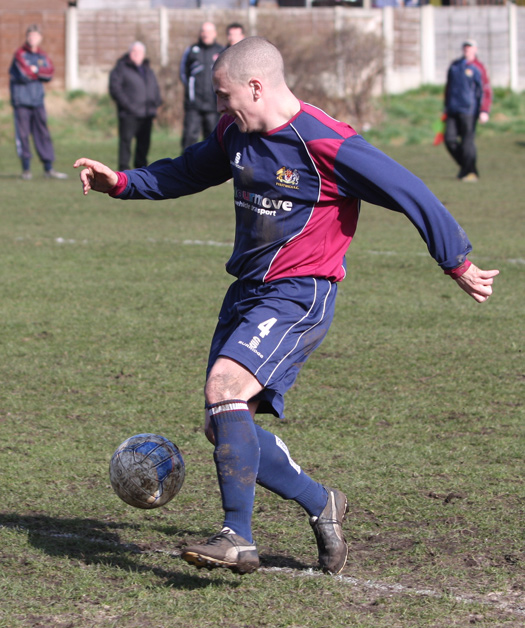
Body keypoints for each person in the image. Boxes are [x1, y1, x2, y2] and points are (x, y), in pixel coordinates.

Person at [74, 37, 499, 577]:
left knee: (225, 389)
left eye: (225, 95)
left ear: (256, 86)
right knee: (223, 425)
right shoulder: (235, 132)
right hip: (247, 292)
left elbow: (408, 189)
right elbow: (188, 169)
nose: (219, 105)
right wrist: (123, 182)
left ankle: (237, 536)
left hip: (299, 292)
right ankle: (322, 502)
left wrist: (455, 260)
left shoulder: (324, 141)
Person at [9, 24, 68, 180]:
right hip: (21, 102)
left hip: (37, 102)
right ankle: (26, 169)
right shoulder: (20, 54)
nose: (32, 38)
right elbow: (24, 73)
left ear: (40, 38)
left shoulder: (42, 55)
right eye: (30, 35)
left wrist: (36, 70)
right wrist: (37, 72)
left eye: (35, 36)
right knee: (23, 135)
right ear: (26, 37)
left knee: (43, 134)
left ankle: (48, 168)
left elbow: (49, 73)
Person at [444, 39, 492, 182]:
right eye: (465, 46)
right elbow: (448, 88)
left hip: (469, 110)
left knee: (467, 142)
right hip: (453, 109)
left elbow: (485, 90)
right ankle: (468, 168)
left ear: (475, 49)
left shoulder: (478, 67)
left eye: (470, 47)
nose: (467, 49)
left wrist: (484, 110)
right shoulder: (455, 65)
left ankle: (469, 172)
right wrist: (445, 107)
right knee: (449, 140)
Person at [109, 42, 162, 171]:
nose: (137, 55)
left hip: (146, 113)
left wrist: (156, 103)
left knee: (144, 144)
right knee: (126, 142)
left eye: (140, 52)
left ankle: (141, 169)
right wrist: (127, 105)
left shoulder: (147, 69)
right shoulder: (121, 68)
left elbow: (154, 87)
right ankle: (123, 170)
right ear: (129, 53)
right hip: (129, 114)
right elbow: (115, 89)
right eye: (134, 52)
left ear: (144, 55)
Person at [179, 22, 224, 151]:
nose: (206, 34)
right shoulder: (191, 50)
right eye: (203, 31)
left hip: (213, 105)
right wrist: (191, 92)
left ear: (215, 34)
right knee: (189, 137)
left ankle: (211, 163)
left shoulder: (221, 51)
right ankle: (185, 162)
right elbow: (183, 73)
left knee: (212, 140)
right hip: (194, 105)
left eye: (209, 32)